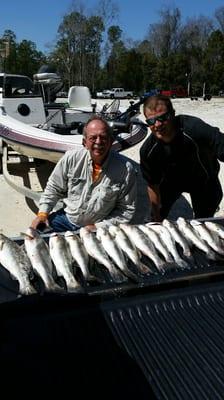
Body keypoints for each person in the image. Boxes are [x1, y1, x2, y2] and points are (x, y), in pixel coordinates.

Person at [31, 115, 137, 232]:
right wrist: (42, 214)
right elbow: (53, 188)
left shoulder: (125, 169)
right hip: (66, 219)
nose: (98, 142)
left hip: (98, 227)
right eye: (93, 138)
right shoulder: (71, 158)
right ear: (84, 142)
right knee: (35, 233)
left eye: (103, 137)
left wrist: (98, 227)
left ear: (111, 141)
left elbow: (126, 210)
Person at [140, 94, 224, 222]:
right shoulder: (149, 151)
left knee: (203, 222)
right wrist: (156, 215)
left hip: (205, 181)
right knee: (152, 220)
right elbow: (153, 185)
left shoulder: (195, 129)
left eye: (162, 118)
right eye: (151, 121)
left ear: (172, 114)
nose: (157, 125)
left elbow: (220, 144)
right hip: (170, 183)